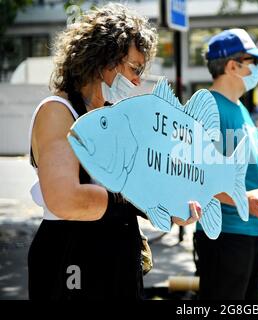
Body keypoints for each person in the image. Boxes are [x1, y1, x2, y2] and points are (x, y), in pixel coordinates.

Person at [28, 3, 201, 300]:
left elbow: (144, 185)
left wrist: (172, 207)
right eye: (134, 68)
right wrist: (135, 198)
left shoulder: (114, 114)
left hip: (118, 256)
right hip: (72, 257)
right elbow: (65, 199)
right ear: (103, 57)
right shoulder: (58, 112)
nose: (137, 81)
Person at [193, 28, 258, 300]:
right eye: (254, 62)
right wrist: (243, 200)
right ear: (232, 65)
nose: (257, 69)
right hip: (225, 236)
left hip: (251, 233)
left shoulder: (239, 108)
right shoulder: (208, 107)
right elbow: (196, 178)